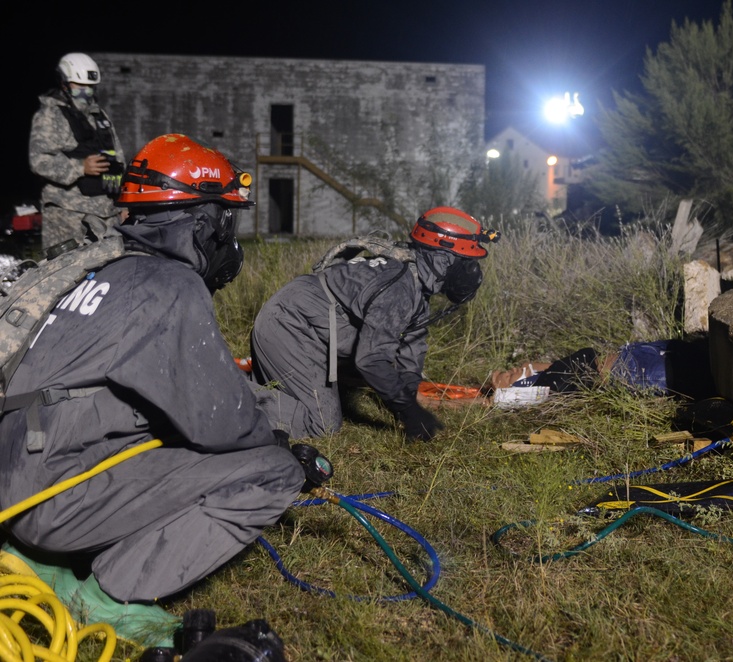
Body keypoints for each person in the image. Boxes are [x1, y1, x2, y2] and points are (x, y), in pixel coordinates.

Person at [0, 134, 306, 646]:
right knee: (273, 474)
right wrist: (275, 440)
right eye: (226, 219)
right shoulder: (167, 284)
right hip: (50, 503)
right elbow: (223, 423)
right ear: (203, 221)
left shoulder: (96, 268)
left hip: (16, 485)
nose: (228, 239)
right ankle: (108, 596)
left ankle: (35, 558)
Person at [251, 207, 498, 441]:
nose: (472, 272)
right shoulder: (399, 288)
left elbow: (411, 353)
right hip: (288, 323)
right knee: (322, 425)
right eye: (466, 262)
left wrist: (406, 407)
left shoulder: (416, 285)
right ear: (443, 259)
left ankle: (264, 392)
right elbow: (370, 360)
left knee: (364, 375)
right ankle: (233, 396)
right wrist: (407, 409)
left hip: (305, 323)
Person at [29, 53, 125, 254]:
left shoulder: (100, 115)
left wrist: (124, 203)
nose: (86, 92)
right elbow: (38, 160)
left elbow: (118, 158)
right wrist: (80, 167)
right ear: (64, 84)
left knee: (112, 272)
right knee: (64, 273)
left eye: (90, 87)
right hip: (68, 214)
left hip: (107, 213)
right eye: (79, 86)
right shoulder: (49, 115)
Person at [489, 338, 715, 402]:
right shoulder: (531, 391)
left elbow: (542, 366)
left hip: (639, 356)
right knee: (700, 370)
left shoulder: (546, 374)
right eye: (509, 374)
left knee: (698, 357)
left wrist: (527, 368)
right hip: (639, 371)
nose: (514, 368)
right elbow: (490, 402)